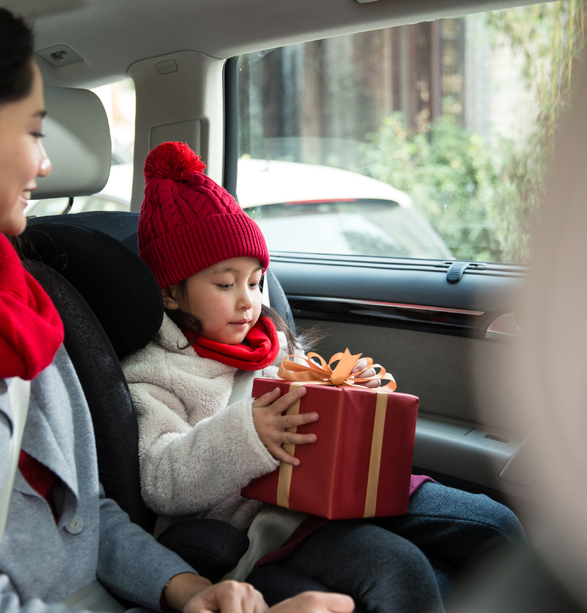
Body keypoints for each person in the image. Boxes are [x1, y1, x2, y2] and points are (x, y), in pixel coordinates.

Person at [0, 1, 355, 612]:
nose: (46, 164)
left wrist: (190, 593)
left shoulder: (19, 308)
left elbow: (81, 513)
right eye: (31, 133)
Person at [121, 141, 528, 612]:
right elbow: (161, 480)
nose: (247, 300)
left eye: (256, 282)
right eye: (225, 284)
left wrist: (350, 391)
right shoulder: (155, 372)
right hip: (270, 522)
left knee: (496, 525)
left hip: (342, 491)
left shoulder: (270, 341)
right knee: (401, 569)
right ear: (171, 294)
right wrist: (248, 431)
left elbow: (315, 407)